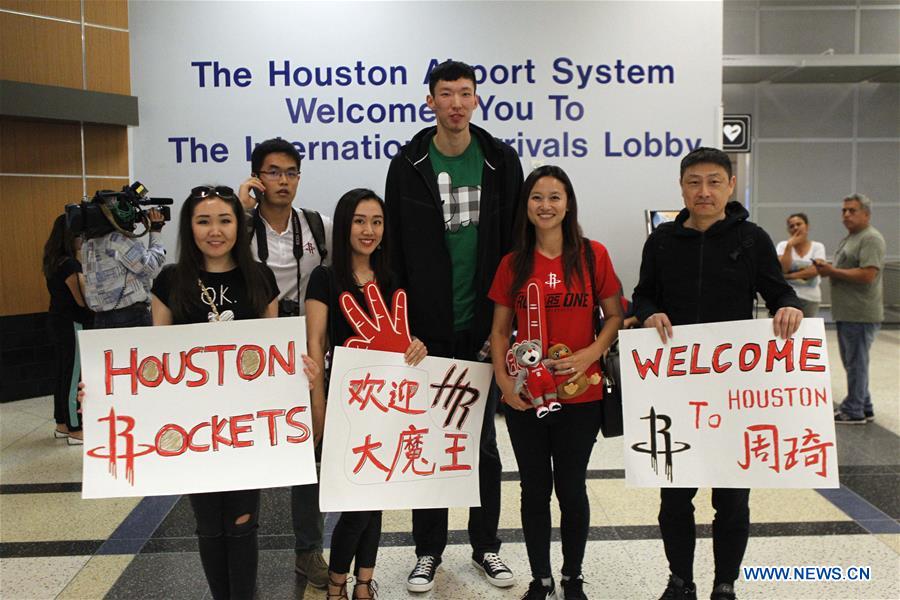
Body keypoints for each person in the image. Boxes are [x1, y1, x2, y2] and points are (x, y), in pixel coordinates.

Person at [633, 147, 803, 600]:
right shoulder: (662, 241)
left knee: (732, 499)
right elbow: (643, 296)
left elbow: (781, 292)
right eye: (693, 182)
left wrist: (788, 307)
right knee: (674, 498)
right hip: (674, 388)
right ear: (682, 187)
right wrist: (648, 315)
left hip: (733, 393)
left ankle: (725, 581)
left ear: (730, 185)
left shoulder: (751, 239)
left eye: (713, 182)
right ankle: (680, 579)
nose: (703, 191)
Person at [384, 59, 523, 593]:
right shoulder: (408, 162)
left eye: (466, 93)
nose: (457, 103)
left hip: (483, 328)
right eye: (447, 94)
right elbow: (393, 249)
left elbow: (516, 245)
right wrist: (404, 327)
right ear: (430, 100)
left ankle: (487, 547)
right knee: (431, 439)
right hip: (427, 333)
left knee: (483, 442)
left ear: (476, 99)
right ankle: (427, 551)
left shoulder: (500, 160)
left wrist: (502, 329)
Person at [149, 184, 317, 599]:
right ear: (189, 228)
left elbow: (275, 353)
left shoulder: (259, 278)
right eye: (203, 221)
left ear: (237, 226)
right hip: (194, 430)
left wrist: (299, 368)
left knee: (243, 523)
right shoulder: (170, 281)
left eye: (224, 220)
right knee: (209, 525)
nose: (215, 230)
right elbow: (151, 362)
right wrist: (102, 390)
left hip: (247, 428)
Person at [488, 165, 623, 600]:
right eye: (536, 198)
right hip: (526, 396)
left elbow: (615, 315)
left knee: (571, 486)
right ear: (526, 206)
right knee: (533, 489)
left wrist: (590, 353)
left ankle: (572, 577)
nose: (545, 206)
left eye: (554, 197)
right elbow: (497, 331)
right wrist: (507, 388)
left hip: (579, 394)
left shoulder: (592, 255)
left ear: (568, 204)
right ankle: (541, 577)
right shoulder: (513, 263)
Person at [305, 188, 427, 600]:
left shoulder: (393, 278)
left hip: (388, 406)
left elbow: (407, 338)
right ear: (344, 226)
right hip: (346, 408)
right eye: (359, 220)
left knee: (376, 501)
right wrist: (318, 406)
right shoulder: (324, 278)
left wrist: (417, 346)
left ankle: (363, 583)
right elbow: (314, 348)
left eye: (376, 221)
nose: (369, 230)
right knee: (356, 507)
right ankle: (337, 584)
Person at [238, 137, 333, 586]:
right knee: (249, 449)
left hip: (307, 344)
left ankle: (309, 550)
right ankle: (240, 547)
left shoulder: (316, 225)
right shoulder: (238, 226)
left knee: (309, 450)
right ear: (257, 177)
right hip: (252, 350)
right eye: (273, 172)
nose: (283, 181)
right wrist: (240, 212)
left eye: (291, 172)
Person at [814, 193, 885, 425]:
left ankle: (853, 410)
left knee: (856, 363)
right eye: (844, 210)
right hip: (848, 311)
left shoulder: (870, 238)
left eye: (852, 210)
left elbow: (868, 274)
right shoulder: (851, 238)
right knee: (854, 362)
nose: (846, 215)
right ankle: (864, 406)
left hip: (860, 313)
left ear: (866, 214)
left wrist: (831, 271)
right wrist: (830, 268)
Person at [42, 214, 93, 444]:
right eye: (78, 235)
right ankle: (75, 428)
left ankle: (61, 423)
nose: (81, 239)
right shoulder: (71, 265)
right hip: (73, 323)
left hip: (57, 321)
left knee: (63, 372)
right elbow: (81, 300)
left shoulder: (54, 261)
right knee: (74, 375)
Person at [82, 200, 167, 328]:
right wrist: (155, 231)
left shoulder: (88, 244)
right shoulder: (118, 240)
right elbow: (152, 269)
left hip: (100, 319)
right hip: (130, 317)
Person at [775, 213, 826, 318]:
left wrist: (789, 276)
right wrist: (789, 246)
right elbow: (784, 269)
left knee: (808, 332)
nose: (796, 228)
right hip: (787, 298)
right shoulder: (782, 246)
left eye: (799, 224)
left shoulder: (817, 247)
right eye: (792, 226)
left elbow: (815, 271)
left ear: (807, 226)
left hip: (810, 298)